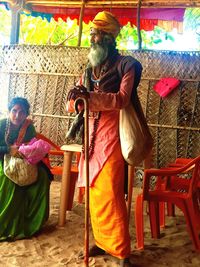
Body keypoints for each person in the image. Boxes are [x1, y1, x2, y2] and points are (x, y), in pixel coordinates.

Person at [67, 11, 153, 267]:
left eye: (95, 33)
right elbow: (74, 103)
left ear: (107, 37)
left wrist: (89, 98)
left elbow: (122, 99)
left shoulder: (129, 65)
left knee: (111, 193)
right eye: (92, 33)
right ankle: (102, 242)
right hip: (90, 136)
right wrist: (76, 100)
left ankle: (122, 251)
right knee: (94, 192)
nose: (91, 38)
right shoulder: (88, 69)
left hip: (114, 134)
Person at [0, 97, 51, 241]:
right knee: (8, 179)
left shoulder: (29, 127)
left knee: (42, 176)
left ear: (26, 114)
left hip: (24, 160)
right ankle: (8, 225)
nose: (17, 115)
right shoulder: (2, 125)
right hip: (2, 159)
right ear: (9, 111)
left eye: (21, 112)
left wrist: (29, 151)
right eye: (14, 111)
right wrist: (8, 149)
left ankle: (32, 222)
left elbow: (32, 146)